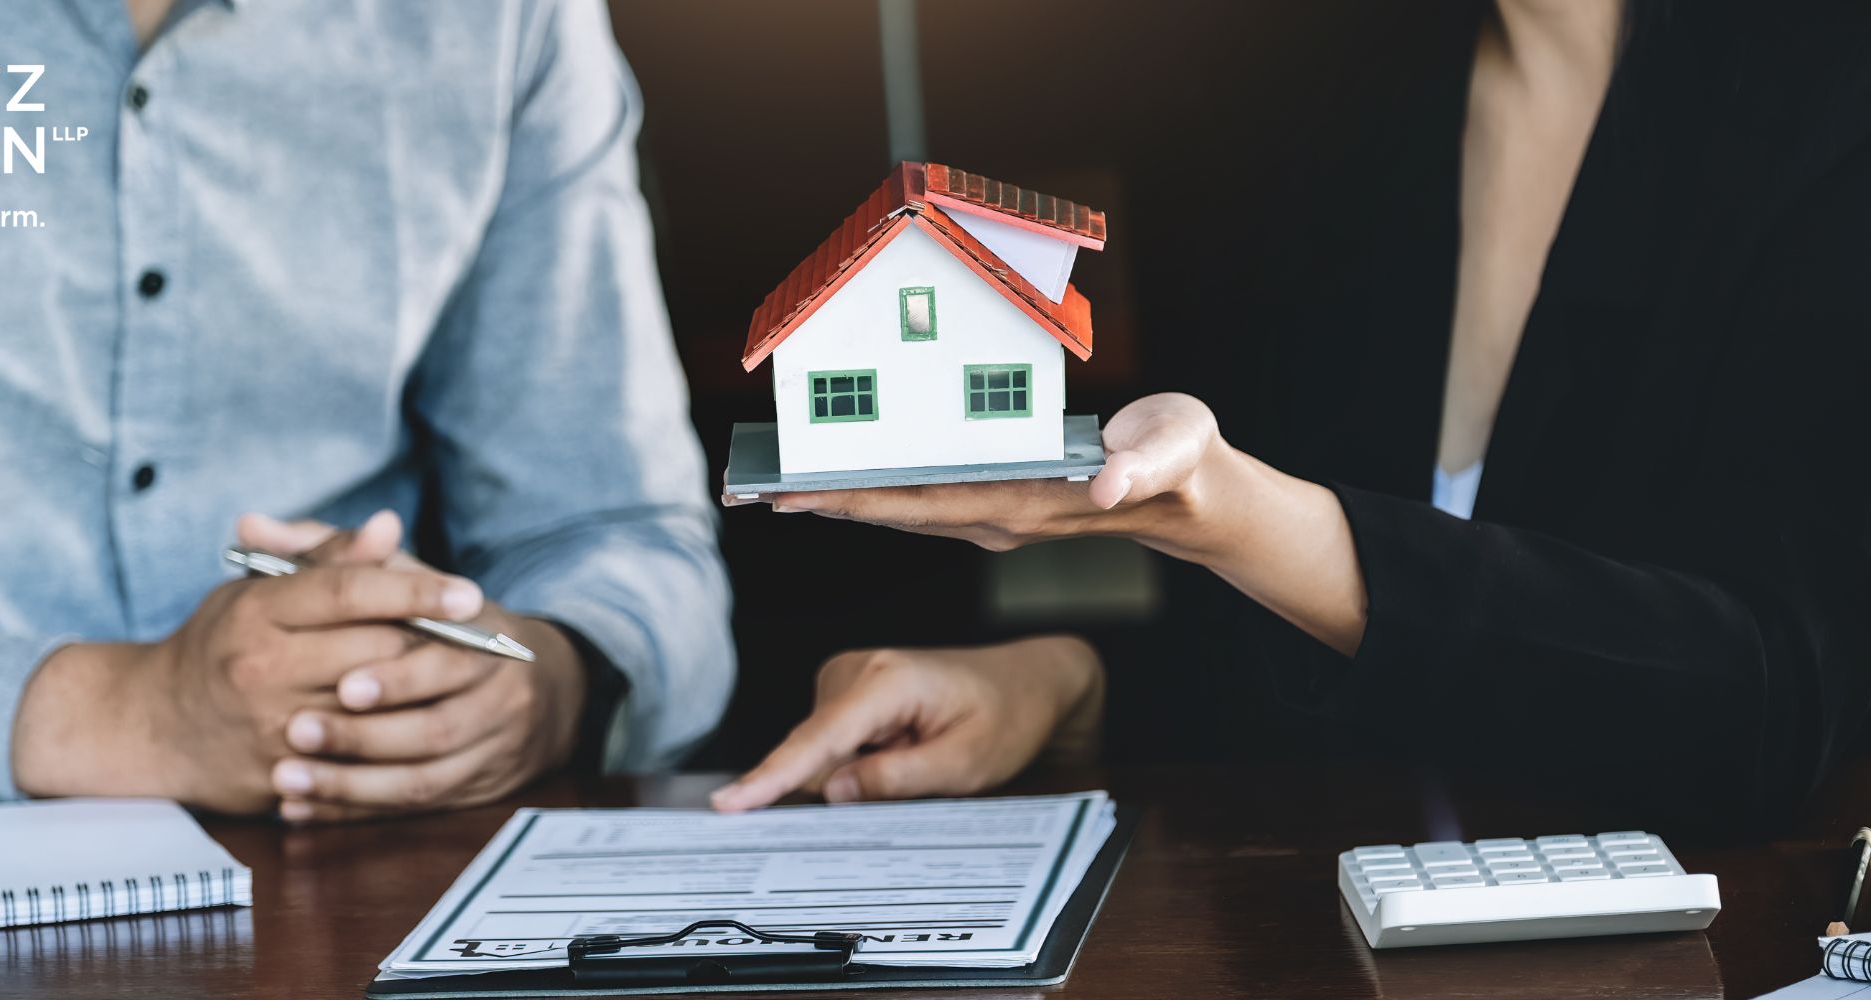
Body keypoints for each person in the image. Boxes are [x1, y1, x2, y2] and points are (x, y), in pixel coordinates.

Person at [715, 0, 1871, 824]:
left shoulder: (1826, 95)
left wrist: (1231, 512)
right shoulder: (1317, 90)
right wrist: (1060, 687)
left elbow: (1768, 712)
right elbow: (1281, 653)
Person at [0, 0, 731, 820]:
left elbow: (625, 541)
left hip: (353, 892)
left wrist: (542, 681)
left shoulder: (502, 21)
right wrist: (121, 714)